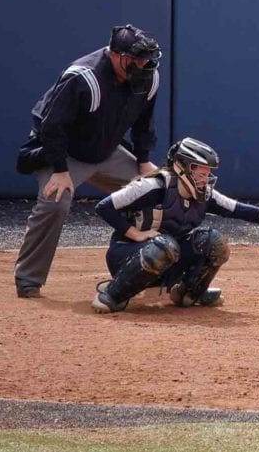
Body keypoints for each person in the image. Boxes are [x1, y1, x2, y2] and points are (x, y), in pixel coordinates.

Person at [13, 24, 163, 299]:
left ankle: (147, 272)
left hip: (106, 151)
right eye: (136, 58)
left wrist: (143, 162)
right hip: (63, 151)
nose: (143, 64)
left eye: (147, 59)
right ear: (116, 55)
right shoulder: (83, 77)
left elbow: (144, 124)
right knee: (55, 202)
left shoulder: (148, 78)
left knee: (156, 192)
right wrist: (59, 170)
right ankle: (28, 279)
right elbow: (52, 128)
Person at [91, 137, 259, 313]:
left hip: (167, 256)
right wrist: (135, 234)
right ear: (182, 167)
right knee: (164, 246)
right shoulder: (153, 185)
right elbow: (104, 206)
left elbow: (243, 210)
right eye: (200, 172)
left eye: (207, 173)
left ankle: (188, 292)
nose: (206, 178)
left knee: (214, 242)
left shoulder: (205, 196)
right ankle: (113, 294)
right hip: (125, 256)